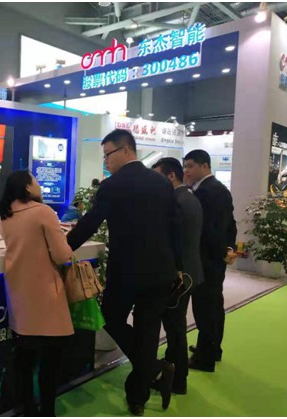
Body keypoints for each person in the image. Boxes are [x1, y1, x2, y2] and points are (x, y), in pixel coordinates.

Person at [67, 129, 182, 416]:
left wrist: (62, 248)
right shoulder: (162, 182)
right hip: (160, 271)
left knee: (111, 318)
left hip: (127, 271)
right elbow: (174, 227)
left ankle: (152, 371)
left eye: (108, 154)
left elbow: (90, 223)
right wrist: (177, 266)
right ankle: (139, 394)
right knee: (148, 332)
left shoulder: (113, 185)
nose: (105, 161)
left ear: (126, 150)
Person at [0, 170, 73, 417]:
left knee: (25, 362)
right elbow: (62, 255)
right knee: (50, 365)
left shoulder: (4, 216)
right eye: (36, 181)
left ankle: (29, 410)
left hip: (19, 296)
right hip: (47, 296)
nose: (39, 185)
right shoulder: (43, 212)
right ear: (28, 188)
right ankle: (47, 412)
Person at [152, 157, 204, 394]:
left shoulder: (176, 201)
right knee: (176, 326)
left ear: (171, 176)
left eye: (158, 176)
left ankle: (177, 379)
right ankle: (175, 375)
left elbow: (172, 243)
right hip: (191, 272)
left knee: (175, 328)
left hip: (179, 276)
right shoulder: (191, 198)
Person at [183, 150, 237, 372]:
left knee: (205, 307)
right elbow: (230, 224)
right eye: (185, 166)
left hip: (206, 258)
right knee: (213, 305)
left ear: (205, 166)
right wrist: (229, 249)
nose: (186, 171)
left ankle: (204, 358)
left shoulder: (206, 191)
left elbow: (208, 229)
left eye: (190, 166)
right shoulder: (216, 189)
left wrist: (222, 251)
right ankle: (212, 349)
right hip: (215, 257)